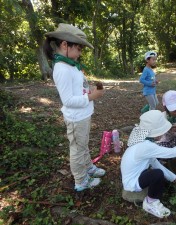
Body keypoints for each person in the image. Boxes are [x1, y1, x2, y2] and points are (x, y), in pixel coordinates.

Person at [44, 23, 106, 191]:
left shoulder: (70, 65)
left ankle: (88, 167)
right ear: (65, 45)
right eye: (78, 49)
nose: (79, 53)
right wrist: (90, 97)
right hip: (76, 118)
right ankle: (81, 180)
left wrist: (88, 91)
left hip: (83, 115)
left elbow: (77, 90)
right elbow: (68, 100)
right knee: (77, 149)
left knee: (83, 144)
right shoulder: (62, 69)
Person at [121, 110, 176, 218]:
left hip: (134, 175)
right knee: (157, 174)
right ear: (156, 132)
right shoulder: (146, 146)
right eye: (162, 131)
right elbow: (172, 153)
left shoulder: (143, 141)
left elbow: (153, 161)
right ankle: (150, 202)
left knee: (157, 168)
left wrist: (171, 176)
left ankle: (152, 193)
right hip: (132, 182)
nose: (163, 134)